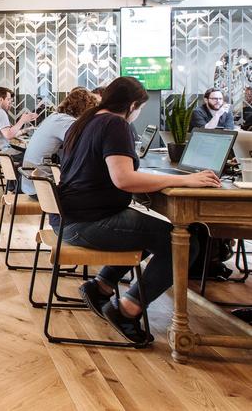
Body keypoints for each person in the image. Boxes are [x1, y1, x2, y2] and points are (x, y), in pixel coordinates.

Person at [57, 76, 220, 343]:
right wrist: (184, 179)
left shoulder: (88, 120)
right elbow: (125, 179)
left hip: (70, 219)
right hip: (86, 223)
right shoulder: (115, 123)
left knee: (151, 231)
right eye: (140, 109)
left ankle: (102, 286)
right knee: (183, 243)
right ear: (132, 105)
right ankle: (127, 310)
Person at [20, 88, 97, 195]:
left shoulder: (55, 117)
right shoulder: (66, 122)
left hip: (32, 184)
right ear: (84, 109)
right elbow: (84, 144)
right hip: (43, 189)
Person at [0, 87, 37, 157]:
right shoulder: (0, 112)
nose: (10, 103)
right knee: (32, 156)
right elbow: (9, 135)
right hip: (1, 156)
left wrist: (25, 130)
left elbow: (6, 134)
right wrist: (22, 120)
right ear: (0, 100)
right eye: (8, 100)